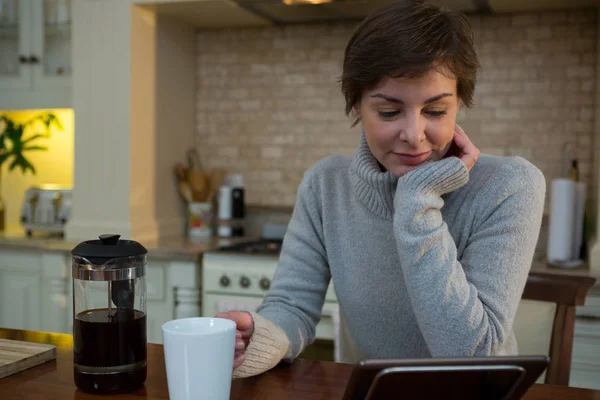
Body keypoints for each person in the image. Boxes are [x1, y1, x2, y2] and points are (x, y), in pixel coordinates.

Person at [217, 0, 546, 379]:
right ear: (356, 106)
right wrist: (257, 335)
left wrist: (417, 203)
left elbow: (472, 356)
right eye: (389, 112)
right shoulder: (326, 184)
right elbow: (292, 306)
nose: (414, 135)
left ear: (460, 104)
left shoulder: (510, 185)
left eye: (436, 111)